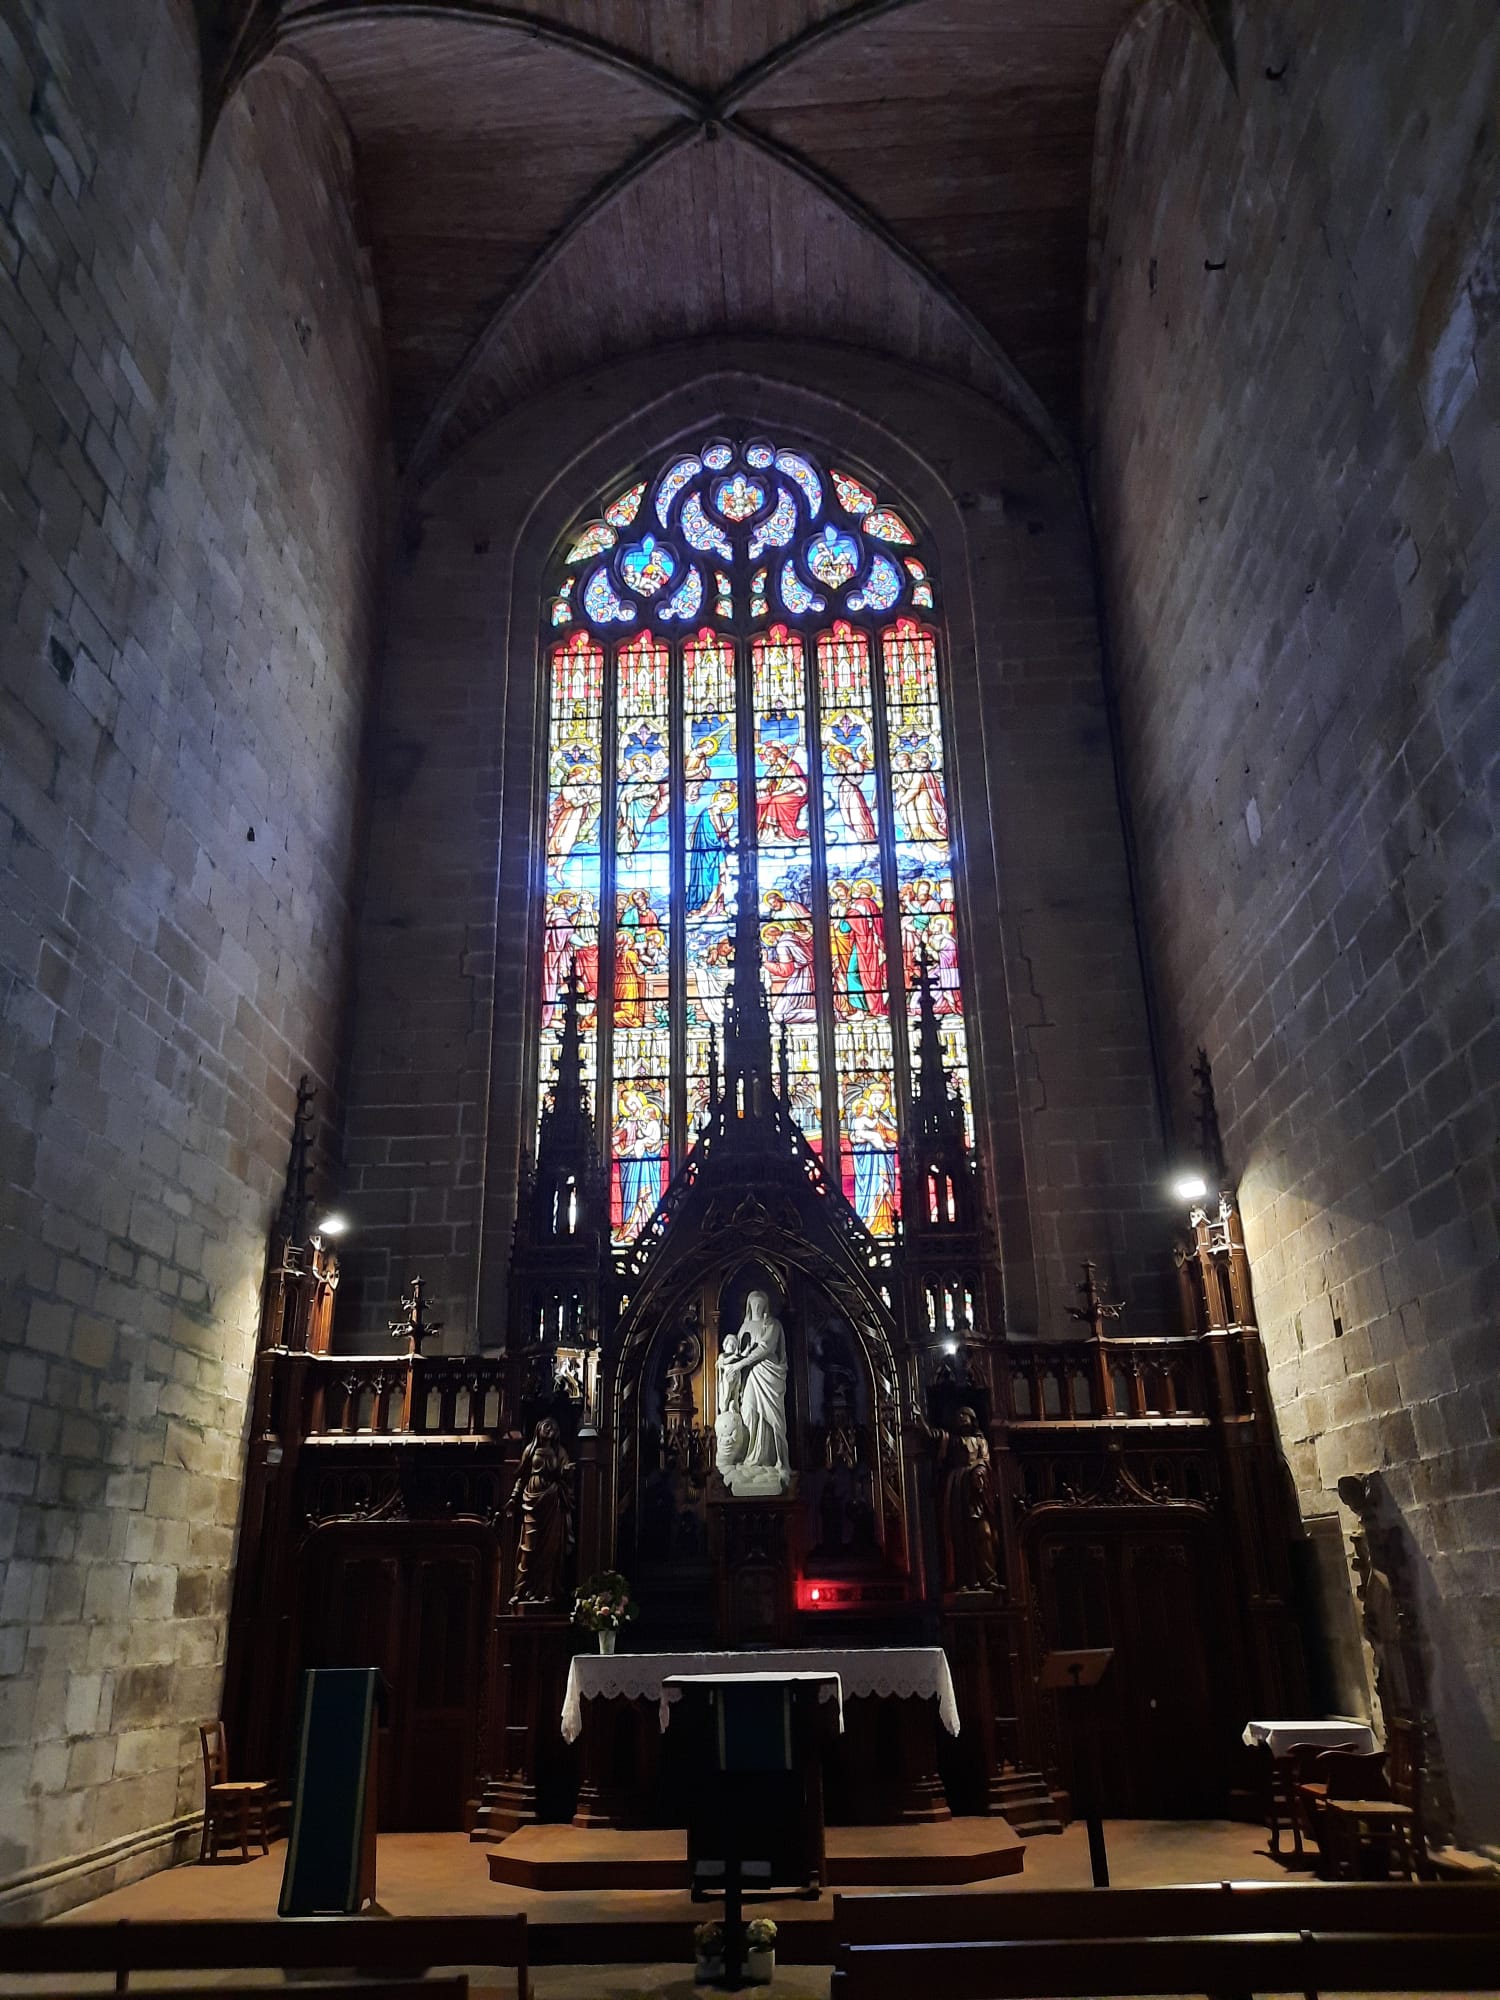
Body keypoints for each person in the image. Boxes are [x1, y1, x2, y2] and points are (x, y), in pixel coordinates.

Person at [928, 1406, 1000, 1593]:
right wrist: (918, 1419)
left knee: (984, 1533)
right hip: (957, 1486)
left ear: (972, 1418)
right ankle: (965, 1580)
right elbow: (931, 1436)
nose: (960, 1418)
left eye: (964, 1414)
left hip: (976, 1489)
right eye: (958, 1415)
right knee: (959, 1535)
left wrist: (979, 1472)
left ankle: (989, 1578)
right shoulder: (951, 1440)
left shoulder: (981, 1441)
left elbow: (985, 1460)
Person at [720, 1290, 790, 1475]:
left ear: (766, 1305)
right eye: (754, 1304)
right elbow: (737, 1351)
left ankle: (780, 1461)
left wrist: (740, 1364)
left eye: (760, 1304)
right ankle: (751, 1458)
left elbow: (765, 1348)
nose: (757, 1307)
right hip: (750, 1376)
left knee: (773, 1418)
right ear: (749, 1306)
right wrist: (726, 1362)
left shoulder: (773, 1324)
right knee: (748, 1413)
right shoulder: (745, 1326)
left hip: (769, 1376)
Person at [507, 1417, 575, 1604]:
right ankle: (521, 1590)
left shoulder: (559, 1451)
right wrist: (513, 1497)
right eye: (546, 1426)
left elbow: (565, 1475)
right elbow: (522, 1476)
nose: (550, 1429)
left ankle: (547, 1591)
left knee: (550, 1549)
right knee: (528, 1547)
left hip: (552, 1501)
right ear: (538, 1429)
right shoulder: (530, 1450)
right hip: (531, 1499)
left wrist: (566, 1473)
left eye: (553, 1427)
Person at [687, 784, 736, 914]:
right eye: (727, 800)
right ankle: (708, 908)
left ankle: (717, 908)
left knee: (719, 876)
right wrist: (729, 826)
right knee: (718, 877)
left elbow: (723, 837)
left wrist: (726, 832)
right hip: (710, 852)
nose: (727, 804)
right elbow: (719, 833)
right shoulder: (714, 811)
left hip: (711, 851)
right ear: (720, 799)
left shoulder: (711, 811)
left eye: (729, 802)